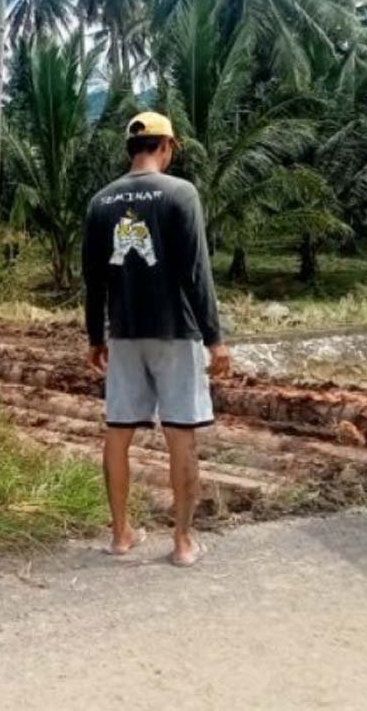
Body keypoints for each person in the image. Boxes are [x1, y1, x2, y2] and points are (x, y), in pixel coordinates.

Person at [81, 111, 232, 567]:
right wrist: (215, 339)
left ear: (132, 149)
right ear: (165, 147)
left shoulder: (101, 202)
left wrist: (95, 336)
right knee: (180, 433)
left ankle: (121, 534)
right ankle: (183, 543)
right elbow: (196, 272)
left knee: (118, 431)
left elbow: (93, 279)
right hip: (175, 332)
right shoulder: (180, 193)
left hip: (124, 334)